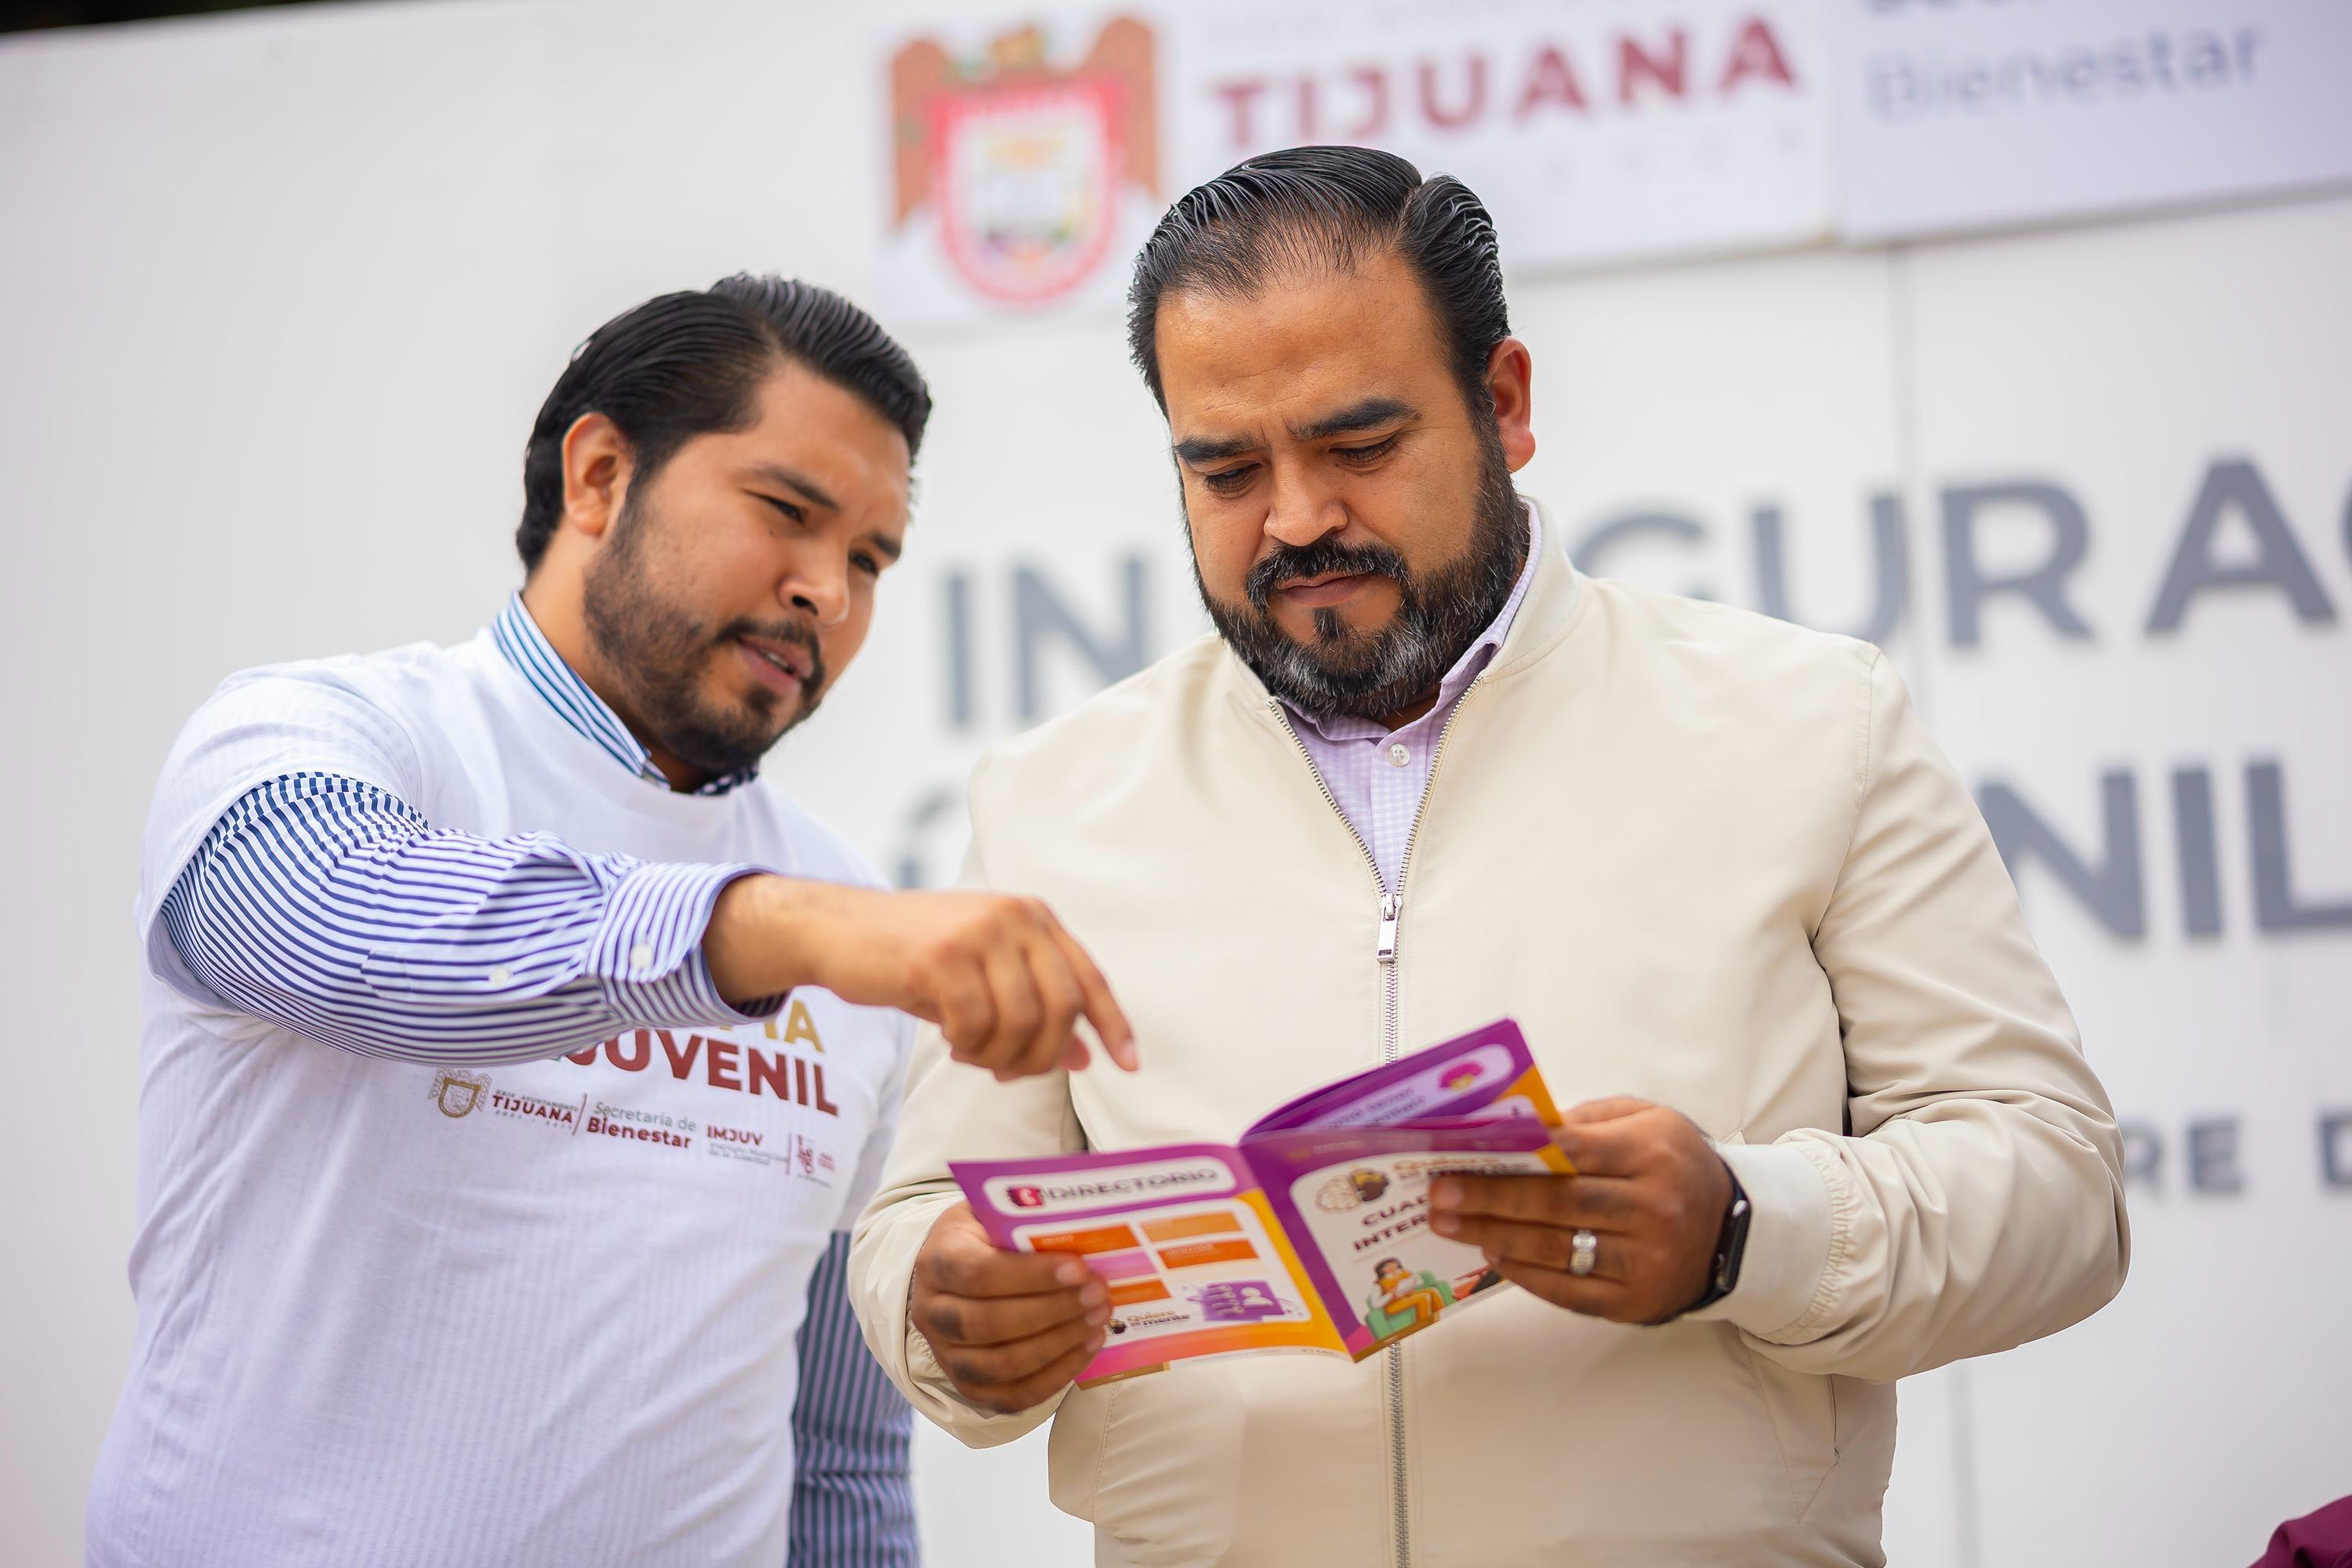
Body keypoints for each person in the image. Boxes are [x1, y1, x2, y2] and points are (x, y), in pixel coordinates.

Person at [849, 150, 2130, 1565]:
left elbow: (2057, 1190)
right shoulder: (1053, 800)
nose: (1292, 520)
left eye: (1358, 446)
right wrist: (947, 1314)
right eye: (1224, 469)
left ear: (1504, 404)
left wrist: (1742, 1229)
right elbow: (923, 1223)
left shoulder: (1812, 723)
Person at [85, 275, 1133, 1568]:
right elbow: (337, 923)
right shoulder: (327, 738)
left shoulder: (841, 913)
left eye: (868, 558)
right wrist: (776, 933)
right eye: (787, 513)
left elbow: (838, 1454)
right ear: (597, 476)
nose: (829, 594)